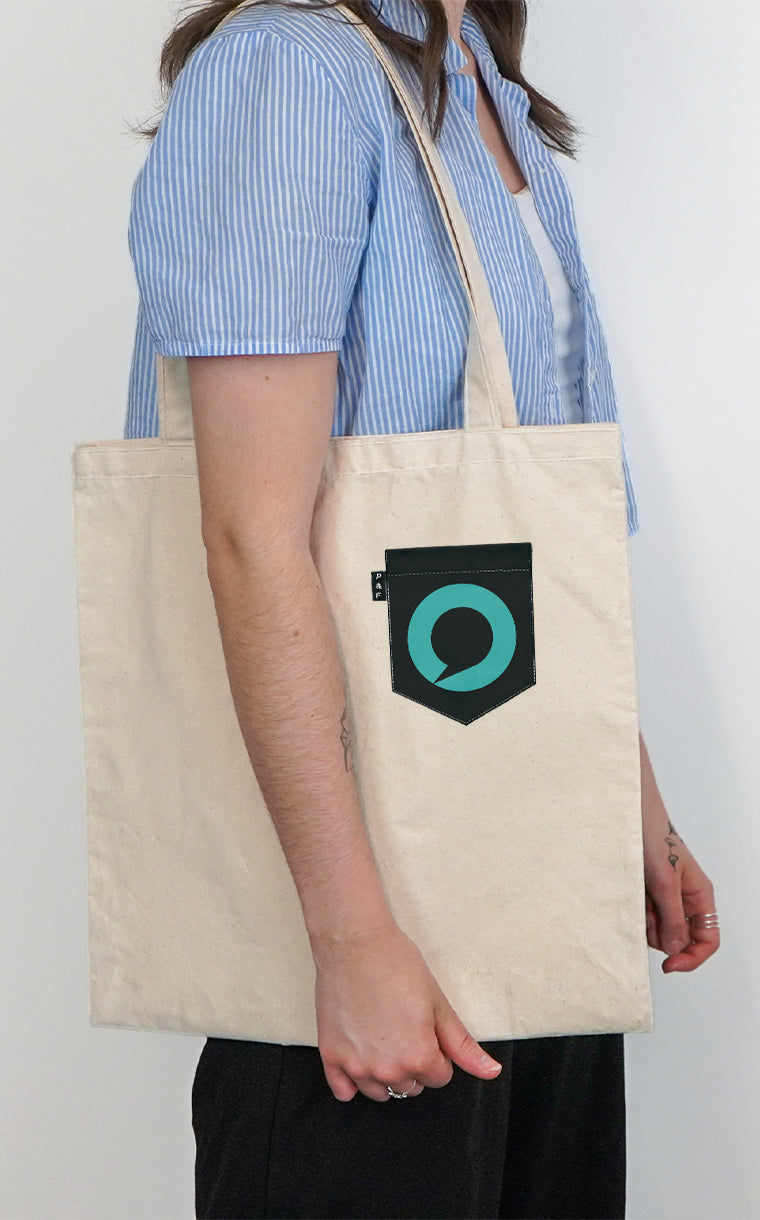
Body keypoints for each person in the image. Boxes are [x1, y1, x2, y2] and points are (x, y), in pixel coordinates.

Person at [125, 1, 720, 1215]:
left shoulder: (474, 70)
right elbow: (249, 536)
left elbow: (529, 515)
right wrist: (350, 939)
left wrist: (630, 795)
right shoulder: (288, 69)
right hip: (367, 910)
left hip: (529, 857)